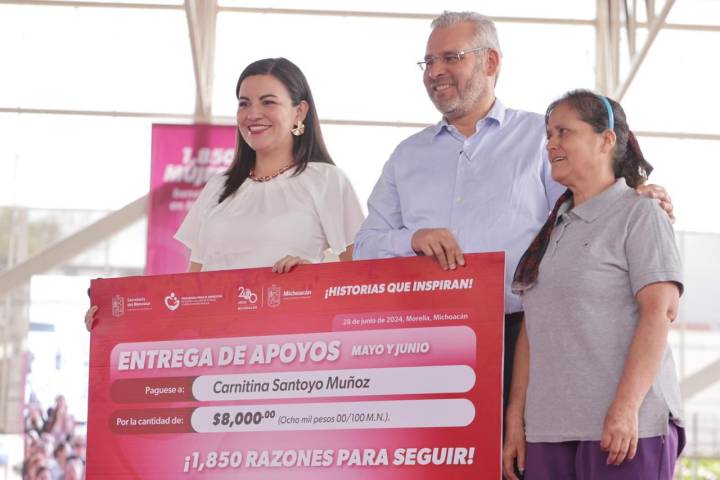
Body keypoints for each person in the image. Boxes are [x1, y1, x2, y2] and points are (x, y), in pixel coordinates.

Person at [352, 10, 674, 414]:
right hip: (423, 343)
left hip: (525, 339)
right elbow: (364, 248)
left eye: (451, 58)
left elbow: (589, 209)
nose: (435, 72)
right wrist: (411, 240)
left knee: (518, 450)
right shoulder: (406, 156)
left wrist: (634, 197)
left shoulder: (543, 139)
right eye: (428, 62)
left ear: (490, 62)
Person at [86, 57, 364, 329]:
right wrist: (114, 319)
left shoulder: (326, 180)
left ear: (299, 112)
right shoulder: (218, 187)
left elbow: (364, 282)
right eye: (244, 103)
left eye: (268, 102)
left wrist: (314, 280)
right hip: (214, 346)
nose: (252, 114)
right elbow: (188, 292)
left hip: (288, 344)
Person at [502, 90, 684, 479]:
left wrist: (626, 407)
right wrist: (516, 420)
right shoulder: (550, 232)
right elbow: (533, 329)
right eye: (549, 135)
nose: (550, 144)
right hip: (548, 433)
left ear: (606, 140)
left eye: (564, 132)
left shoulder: (641, 214)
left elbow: (660, 312)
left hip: (624, 430)